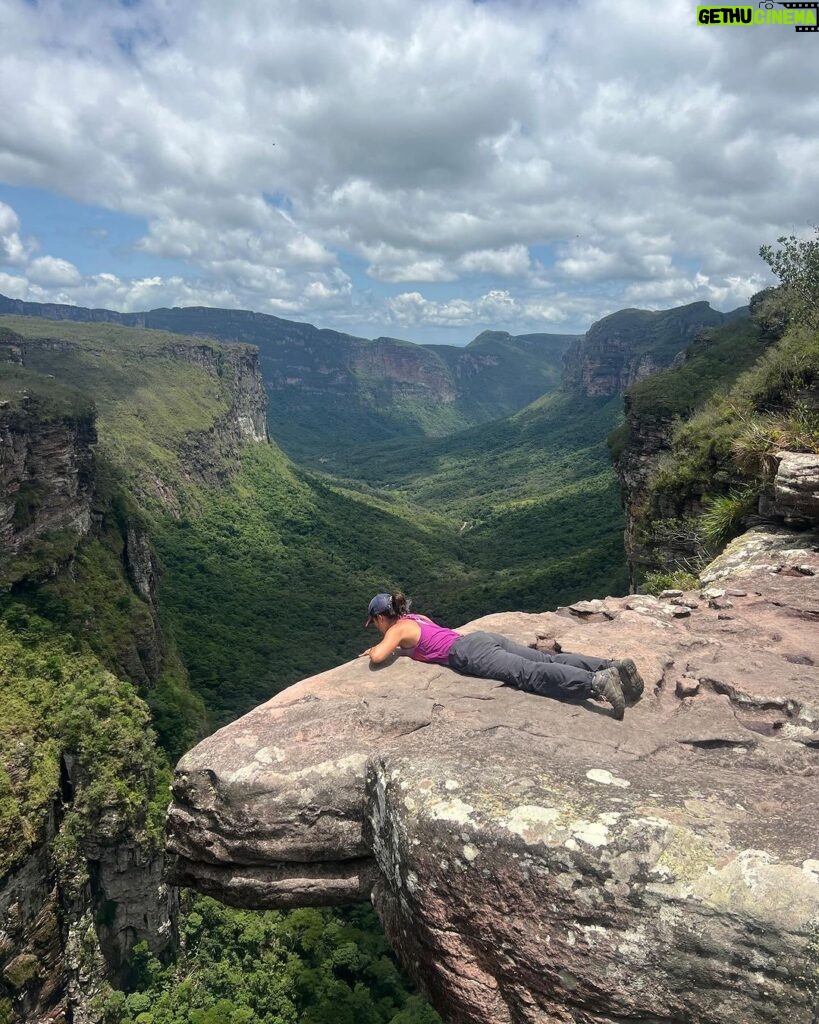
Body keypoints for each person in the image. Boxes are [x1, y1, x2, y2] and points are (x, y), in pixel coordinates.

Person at [360, 591, 644, 720]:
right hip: (479, 638)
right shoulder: (416, 618)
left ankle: (596, 683)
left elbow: (378, 657)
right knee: (544, 660)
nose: (377, 628)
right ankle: (613, 666)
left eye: (375, 623)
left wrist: (378, 648)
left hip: (467, 652)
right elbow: (424, 640)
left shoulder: (397, 629)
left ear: (381, 618)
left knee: (528, 673)